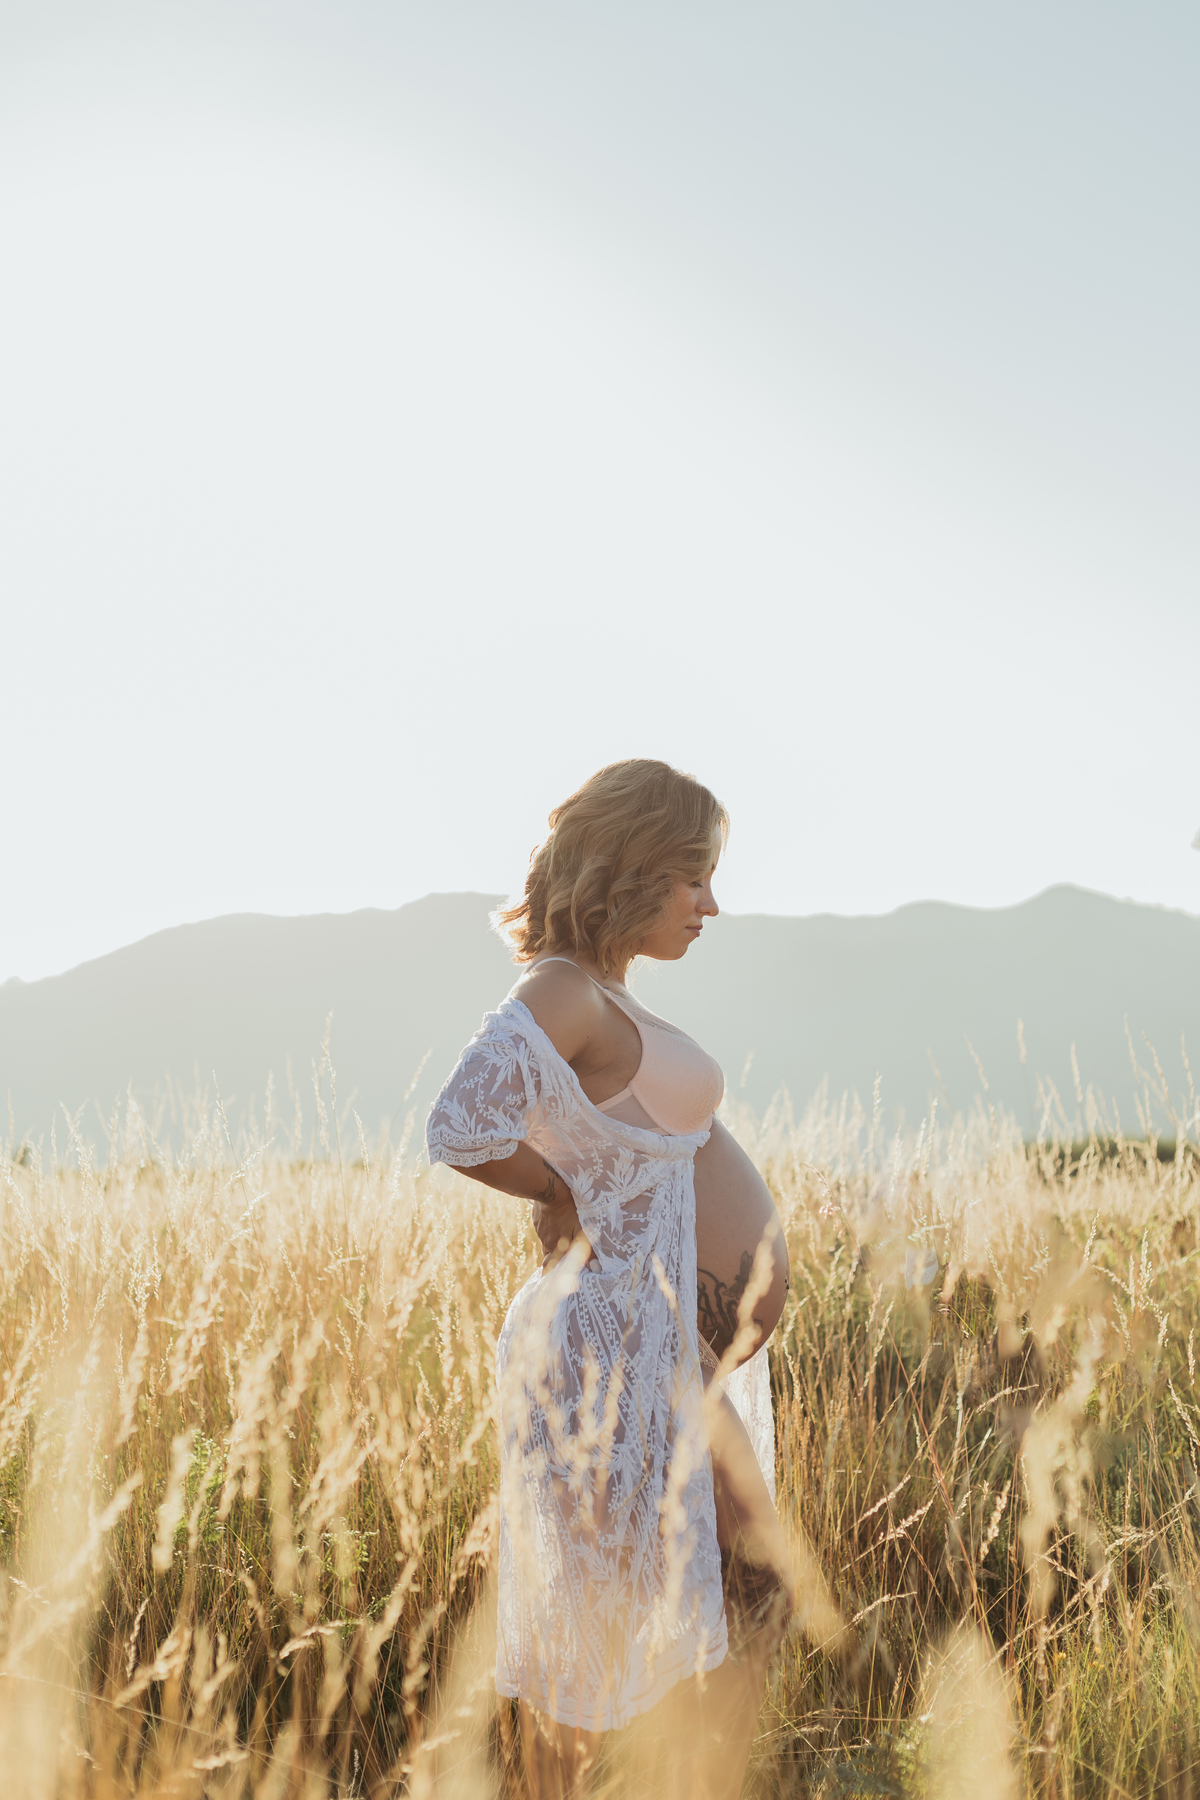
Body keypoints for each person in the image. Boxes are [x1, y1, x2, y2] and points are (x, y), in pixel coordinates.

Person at [425, 760, 793, 1797]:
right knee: (591, 1633)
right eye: (691, 878)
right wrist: (575, 1187)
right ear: (629, 868)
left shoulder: (607, 995)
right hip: (608, 1346)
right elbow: (460, 1124)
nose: (710, 904)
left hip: (677, 1350)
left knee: (748, 1586)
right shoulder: (560, 989)